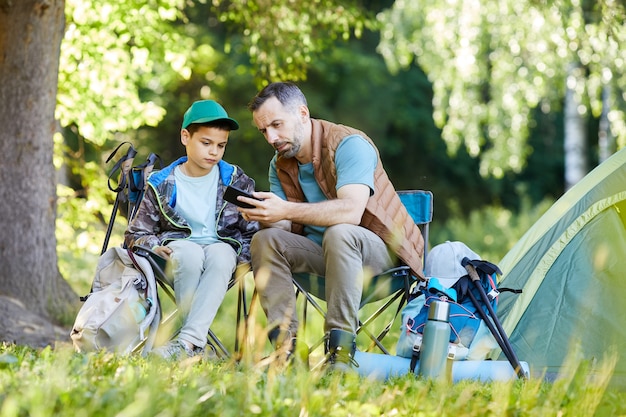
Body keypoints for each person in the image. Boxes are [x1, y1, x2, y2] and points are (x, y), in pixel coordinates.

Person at [239, 82, 425, 371]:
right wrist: (265, 213)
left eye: (277, 125)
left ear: (302, 113)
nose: (271, 137)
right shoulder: (281, 163)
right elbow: (285, 226)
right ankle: (285, 352)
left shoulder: (349, 144)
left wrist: (286, 208)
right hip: (325, 257)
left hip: (381, 257)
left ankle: (339, 353)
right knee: (265, 240)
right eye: (264, 130)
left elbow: (351, 211)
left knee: (340, 232)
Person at [125, 99, 259, 360]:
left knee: (221, 255)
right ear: (186, 136)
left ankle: (187, 344)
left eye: (221, 145)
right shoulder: (161, 183)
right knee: (189, 253)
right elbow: (135, 234)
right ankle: (194, 344)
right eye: (206, 143)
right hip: (179, 250)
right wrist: (154, 246)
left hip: (223, 249)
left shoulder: (234, 180)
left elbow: (251, 231)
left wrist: (242, 258)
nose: (214, 152)